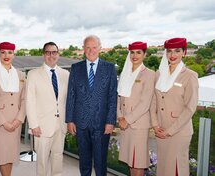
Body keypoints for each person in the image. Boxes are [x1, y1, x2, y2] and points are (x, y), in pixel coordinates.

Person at [66, 35, 117, 176]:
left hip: (102, 124)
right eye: (87, 47)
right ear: (83, 49)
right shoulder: (75, 68)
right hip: (80, 123)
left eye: (94, 47)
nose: (91, 50)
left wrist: (110, 121)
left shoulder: (109, 68)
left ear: (100, 48)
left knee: (101, 163)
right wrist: (69, 120)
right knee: (84, 162)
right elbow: (71, 95)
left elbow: (112, 97)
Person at [150, 37, 198, 176]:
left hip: (179, 132)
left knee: (177, 169)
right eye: (169, 51)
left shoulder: (190, 76)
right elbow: (154, 101)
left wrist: (169, 131)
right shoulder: (159, 74)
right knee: (163, 168)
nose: (172, 55)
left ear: (184, 52)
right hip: (160, 130)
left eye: (177, 51)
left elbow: (190, 108)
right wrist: (155, 125)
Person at [26, 42, 69, 176]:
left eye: (54, 52)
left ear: (58, 54)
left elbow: (68, 101)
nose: (51, 55)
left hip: (61, 124)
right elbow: (30, 101)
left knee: (58, 158)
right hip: (42, 126)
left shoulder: (65, 74)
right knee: (42, 161)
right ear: (43, 55)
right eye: (48, 52)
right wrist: (34, 125)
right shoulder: (33, 74)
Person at [0, 42, 26, 176]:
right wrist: (4, 122)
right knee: (2, 155)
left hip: (15, 121)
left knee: (11, 154)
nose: (6, 55)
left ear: (14, 54)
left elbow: (25, 99)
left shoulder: (21, 75)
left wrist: (19, 119)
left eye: (9, 52)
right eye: (3, 52)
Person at [117, 41, 155, 176]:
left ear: (145, 54)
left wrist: (127, 120)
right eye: (132, 52)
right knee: (130, 161)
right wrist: (120, 116)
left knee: (138, 162)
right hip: (124, 124)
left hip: (138, 125)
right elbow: (119, 98)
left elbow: (145, 103)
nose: (135, 55)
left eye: (139, 52)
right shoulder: (125, 73)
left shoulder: (149, 74)